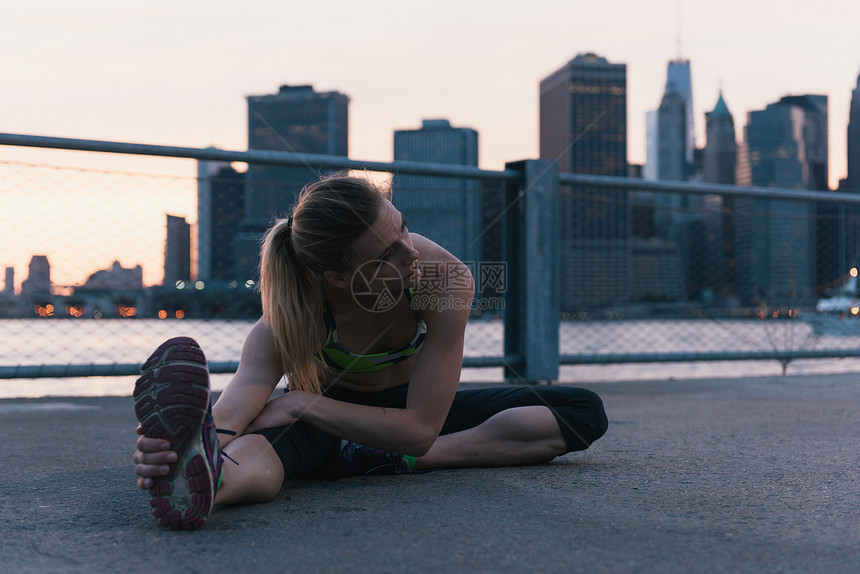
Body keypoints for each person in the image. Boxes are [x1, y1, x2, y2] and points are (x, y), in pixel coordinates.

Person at [133, 172, 608, 530]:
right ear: (339, 277)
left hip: (404, 418)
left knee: (576, 411)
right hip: (324, 428)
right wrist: (182, 452)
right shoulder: (287, 322)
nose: (410, 253)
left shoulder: (443, 280)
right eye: (387, 254)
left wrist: (301, 401)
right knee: (256, 449)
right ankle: (206, 485)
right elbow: (234, 414)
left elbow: (421, 428)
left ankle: (369, 457)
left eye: (403, 228)